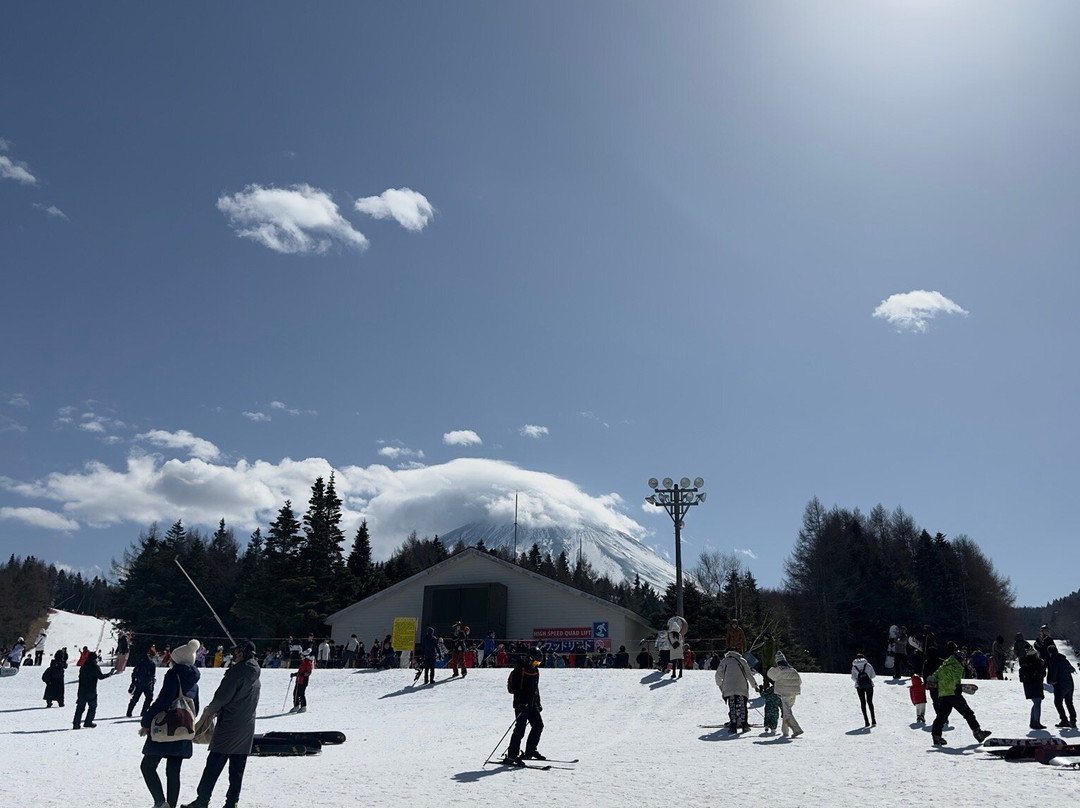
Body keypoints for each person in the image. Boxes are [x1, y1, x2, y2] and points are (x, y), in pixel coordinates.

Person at [182, 640, 261, 808]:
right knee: (237, 769)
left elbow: (222, 697)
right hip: (246, 726)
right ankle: (232, 802)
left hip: (229, 724)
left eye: (238, 651)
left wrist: (209, 711)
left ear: (244, 653)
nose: (234, 654)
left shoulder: (237, 672)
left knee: (213, 764)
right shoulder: (255, 672)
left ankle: (202, 800)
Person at [139, 639, 200, 808]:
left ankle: (160, 802)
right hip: (183, 728)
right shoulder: (194, 680)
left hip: (165, 727)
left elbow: (163, 701)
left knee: (147, 766)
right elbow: (197, 707)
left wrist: (146, 720)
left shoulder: (174, 675)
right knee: (173, 771)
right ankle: (171, 805)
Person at [930, 641, 991, 746]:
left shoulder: (946, 663)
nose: (964, 663)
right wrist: (958, 687)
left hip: (944, 694)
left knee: (941, 716)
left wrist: (932, 680)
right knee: (968, 713)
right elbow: (954, 680)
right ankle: (978, 733)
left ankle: (936, 736)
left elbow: (936, 675)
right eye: (964, 661)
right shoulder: (957, 666)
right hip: (954, 693)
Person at [503, 648, 545, 764]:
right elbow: (517, 689)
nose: (536, 665)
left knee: (538, 726)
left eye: (538, 663)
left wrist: (538, 702)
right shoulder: (519, 670)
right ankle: (512, 755)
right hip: (521, 704)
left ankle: (530, 751)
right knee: (520, 729)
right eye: (536, 662)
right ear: (529, 659)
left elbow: (536, 688)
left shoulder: (535, 670)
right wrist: (522, 702)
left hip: (532, 703)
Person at [715, 648, 759, 733]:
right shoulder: (742, 660)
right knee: (742, 706)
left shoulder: (724, 661)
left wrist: (721, 686)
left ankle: (733, 726)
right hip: (741, 686)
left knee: (732, 706)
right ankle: (744, 725)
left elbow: (718, 676)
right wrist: (755, 686)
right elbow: (749, 674)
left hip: (729, 687)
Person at [766, 651, 803, 738]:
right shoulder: (793, 670)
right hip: (793, 693)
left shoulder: (778, 670)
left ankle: (797, 729)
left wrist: (771, 668)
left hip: (784, 693)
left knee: (787, 712)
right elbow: (799, 681)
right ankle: (785, 732)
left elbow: (770, 675)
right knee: (787, 711)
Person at [73, 650, 112, 729]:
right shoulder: (95, 667)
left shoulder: (83, 666)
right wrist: (109, 674)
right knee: (92, 706)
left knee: (80, 707)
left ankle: (76, 724)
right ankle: (88, 722)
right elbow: (100, 676)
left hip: (81, 690)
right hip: (91, 690)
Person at [1044, 642, 1076, 729]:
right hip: (1070, 684)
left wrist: (1051, 681)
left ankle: (1064, 720)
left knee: (1058, 703)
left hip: (1060, 685)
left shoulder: (1053, 660)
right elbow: (1072, 669)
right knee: (1069, 703)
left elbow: (1053, 672)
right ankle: (1073, 721)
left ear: (1049, 652)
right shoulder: (1064, 659)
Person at [1018, 644, 1046, 729]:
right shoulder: (1037, 662)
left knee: (1035, 703)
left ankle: (1033, 722)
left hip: (1028, 686)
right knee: (1037, 703)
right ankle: (1036, 722)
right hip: (1036, 685)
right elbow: (1043, 674)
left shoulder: (1024, 663)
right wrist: (1042, 665)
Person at [129, 647, 158, 718]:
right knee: (135, 698)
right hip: (140, 683)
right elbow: (134, 673)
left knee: (149, 698)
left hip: (148, 684)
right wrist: (133, 683)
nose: (152, 658)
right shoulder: (141, 663)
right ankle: (129, 712)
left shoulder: (152, 665)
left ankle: (144, 712)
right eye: (151, 656)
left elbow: (153, 675)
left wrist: (152, 684)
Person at [851, 653, 876, 727]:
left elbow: (853, 678)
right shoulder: (868, 665)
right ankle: (873, 720)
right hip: (869, 685)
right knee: (870, 702)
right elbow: (873, 675)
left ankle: (866, 721)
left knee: (863, 703)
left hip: (859, 686)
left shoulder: (854, 667)